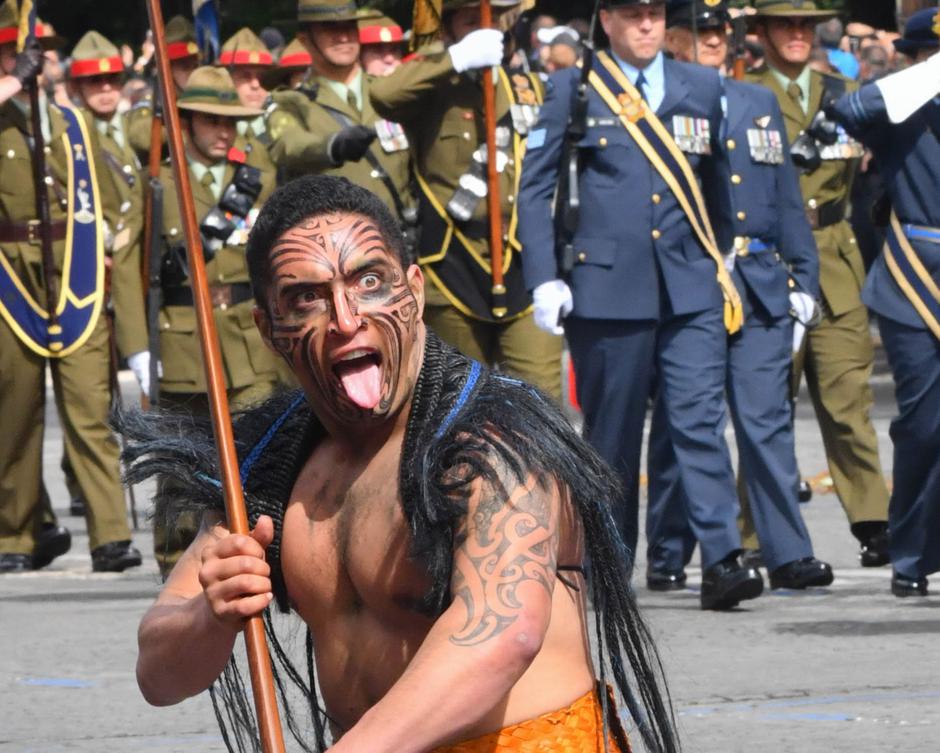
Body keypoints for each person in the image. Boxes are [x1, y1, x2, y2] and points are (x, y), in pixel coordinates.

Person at [127, 174, 678, 753]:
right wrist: (209, 617)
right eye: (307, 297)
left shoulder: (494, 441)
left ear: (413, 291)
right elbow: (159, 676)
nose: (345, 319)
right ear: (267, 327)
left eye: (368, 281)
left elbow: (501, 635)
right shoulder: (267, 467)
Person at [518, 0, 763, 610]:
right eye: (633, 14)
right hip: (605, 287)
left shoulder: (701, 84)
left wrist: (727, 255)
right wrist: (544, 276)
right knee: (614, 434)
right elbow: (537, 183)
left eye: (655, 12)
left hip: (689, 285)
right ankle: (609, 560)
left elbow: (719, 179)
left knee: (700, 421)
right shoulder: (572, 87)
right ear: (608, 21)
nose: (647, 25)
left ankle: (724, 558)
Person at [648, 0, 833, 592]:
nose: (714, 43)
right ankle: (679, 551)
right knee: (691, 421)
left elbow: (783, 194)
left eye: (720, 33)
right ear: (673, 41)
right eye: (700, 34)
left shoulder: (756, 102)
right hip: (694, 275)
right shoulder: (658, 103)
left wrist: (804, 276)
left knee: (766, 420)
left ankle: (787, 552)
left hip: (757, 279)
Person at [747, 0, 890, 567]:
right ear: (762, 31)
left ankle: (874, 521)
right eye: (786, 24)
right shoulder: (743, 92)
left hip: (834, 258)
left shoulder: (843, 94)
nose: (797, 34)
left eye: (806, 24)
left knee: (848, 399)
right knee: (765, 404)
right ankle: (754, 532)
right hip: (770, 260)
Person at [0, 7, 142, 573]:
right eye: (15, 52)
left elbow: (114, 201)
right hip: (12, 272)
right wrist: (10, 85)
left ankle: (110, 534)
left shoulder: (72, 123)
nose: (33, 60)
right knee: (18, 410)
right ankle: (16, 533)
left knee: (89, 408)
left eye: (36, 52)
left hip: (74, 273)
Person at [370, 0, 564, 401]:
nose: (482, 26)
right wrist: (455, 59)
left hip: (523, 259)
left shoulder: (529, 88)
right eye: (470, 19)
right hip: (452, 263)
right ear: (450, 28)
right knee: (456, 403)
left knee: (542, 404)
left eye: (490, 18)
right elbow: (383, 93)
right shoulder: (432, 88)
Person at [152, 66, 288, 574]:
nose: (224, 131)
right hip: (184, 332)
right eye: (212, 120)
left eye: (231, 121)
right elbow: (135, 269)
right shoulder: (163, 182)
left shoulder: (256, 178)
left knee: (257, 448)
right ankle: (174, 560)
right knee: (182, 456)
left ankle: (257, 548)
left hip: (245, 337)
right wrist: (136, 346)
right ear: (186, 121)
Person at [829, 8, 940, 597]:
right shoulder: (905, 105)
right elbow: (847, 111)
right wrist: (928, 77)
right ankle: (913, 553)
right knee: (924, 423)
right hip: (915, 275)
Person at [266, 0, 416, 237]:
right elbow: (288, 145)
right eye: (330, 29)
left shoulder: (388, 93)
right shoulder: (291, 102)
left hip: (401, 239)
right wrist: (333, 146)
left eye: (349, 27)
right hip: (337, 247)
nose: (344, 38)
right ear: (305, 39)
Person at [126, 16, 201, 160]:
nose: (193, 73)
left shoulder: (205, 102)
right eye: (185, 67)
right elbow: (140, 136)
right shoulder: (148, 105)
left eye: (196, 66)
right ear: (166, 71)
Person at [219, 27, 274, 143]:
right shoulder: (216, 136)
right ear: (226, 79)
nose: (255, 84)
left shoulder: (282, 127)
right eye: (245, 76)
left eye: (261, 77)